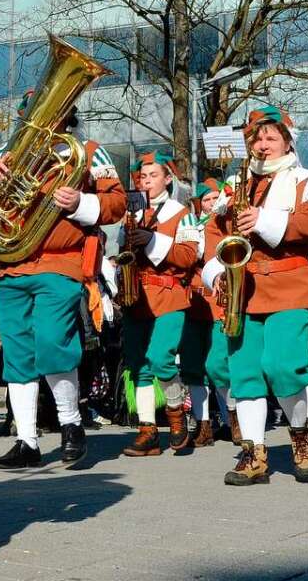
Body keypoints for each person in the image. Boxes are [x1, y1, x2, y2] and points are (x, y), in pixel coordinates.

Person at [0, 103, 125, 470]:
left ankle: (71, 425)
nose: (42, 119)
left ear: (67, 117)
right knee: (17, 354)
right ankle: (27, 441)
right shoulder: (10, 154)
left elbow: (117, 202)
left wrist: (82, 202)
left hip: (60, 262)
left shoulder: (88, 151)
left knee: (53, 343)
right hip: (11, 265)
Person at [201, 107, 308, 485]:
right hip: (244, 287)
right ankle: (253, 453)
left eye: (271, 137)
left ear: (288, 141)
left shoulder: (307, 179)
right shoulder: (234, 184)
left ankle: (300, 434)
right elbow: (211, 229)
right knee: (244, 373)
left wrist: (263, 220)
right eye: (256, 138)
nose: (262, 144)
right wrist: (214, 272)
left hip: (289, 284)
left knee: (282, 366)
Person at [118, 151, 199, 457]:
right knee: (138, 366)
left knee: (160, 358)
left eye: (153, 175)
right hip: (136, 297)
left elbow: (189, 256)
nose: (146, 180)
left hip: (169, 296)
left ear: (168, 179)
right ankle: (147, 431)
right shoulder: (132, 212)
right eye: (142, 176)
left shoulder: (182, 212)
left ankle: (177, 416)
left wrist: (150, 241)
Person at [188, 178, 240, 446]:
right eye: (205, 200)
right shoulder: (193, 225)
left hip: (218, 302)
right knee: (195, 368)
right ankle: (203, 424)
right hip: (195, 304)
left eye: (213, 199)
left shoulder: (223, 224)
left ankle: (233, 418)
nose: (210, 204)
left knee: (218, 364)